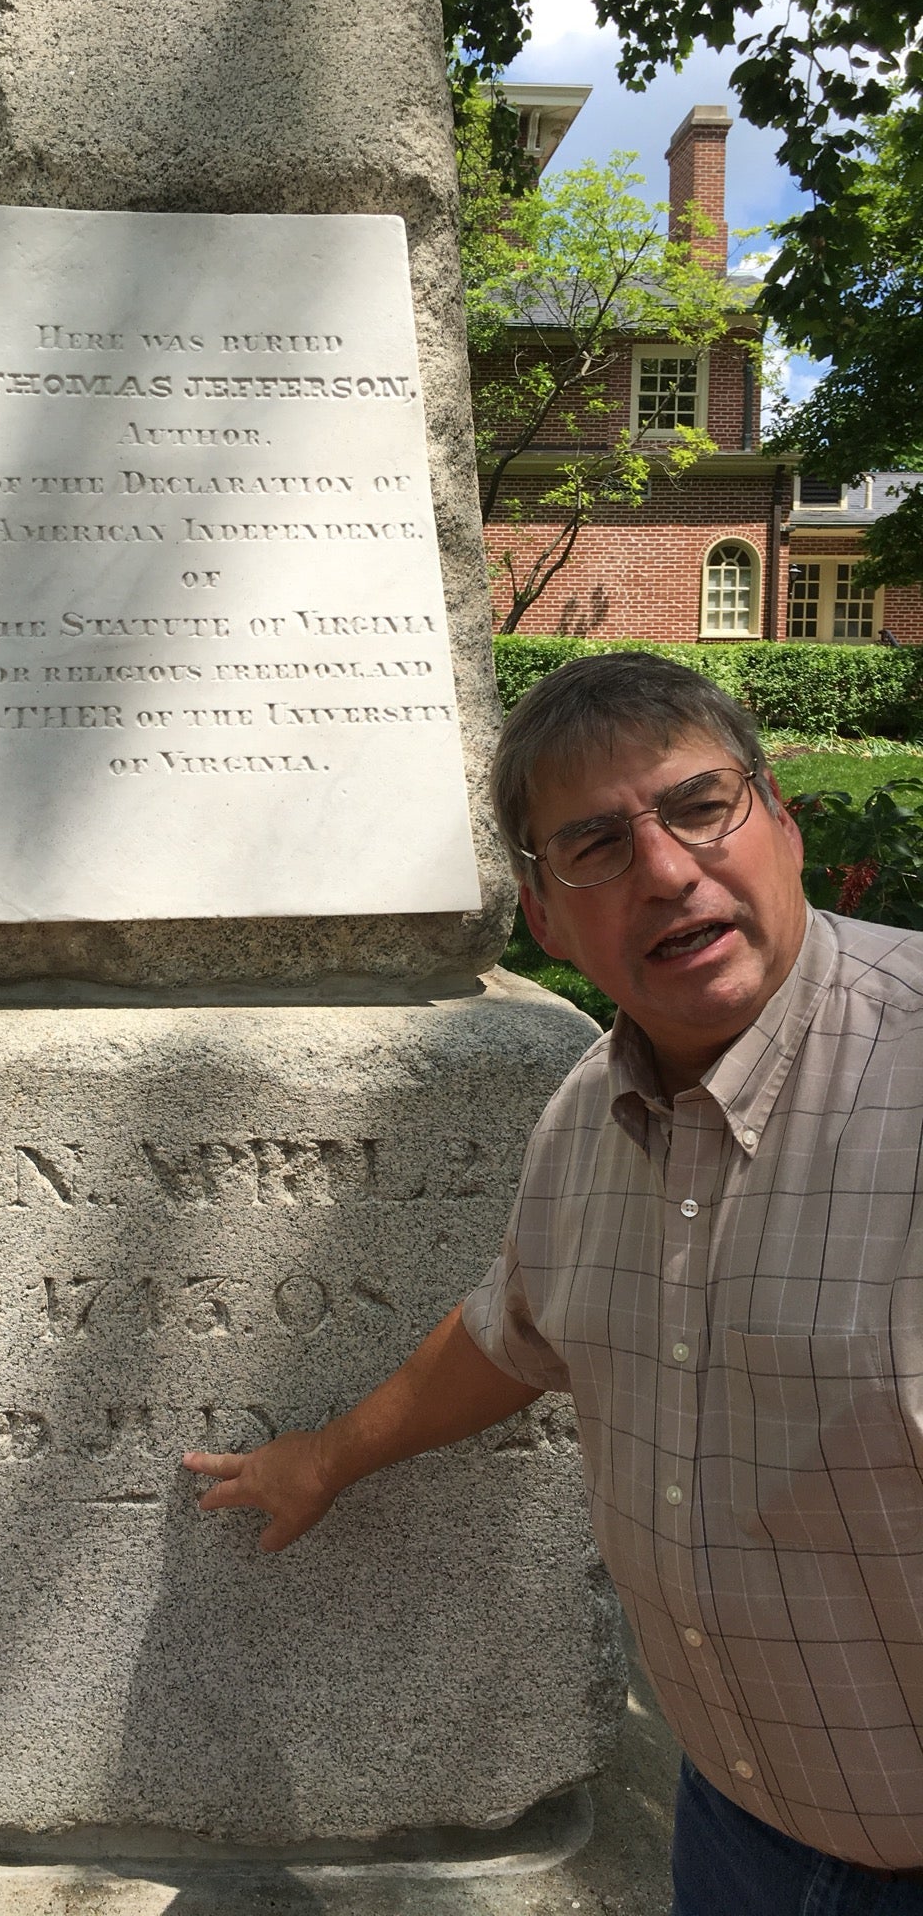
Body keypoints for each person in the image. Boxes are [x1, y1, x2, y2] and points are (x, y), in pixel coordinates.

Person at [184, 653, 923, 1916]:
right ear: (548, 920)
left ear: (783, 821)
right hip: (741, 1822)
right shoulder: (591, 1107)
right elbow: (515, 1329)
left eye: (702, 807)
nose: (668, 870)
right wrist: (326, 1457)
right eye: (595, 846)